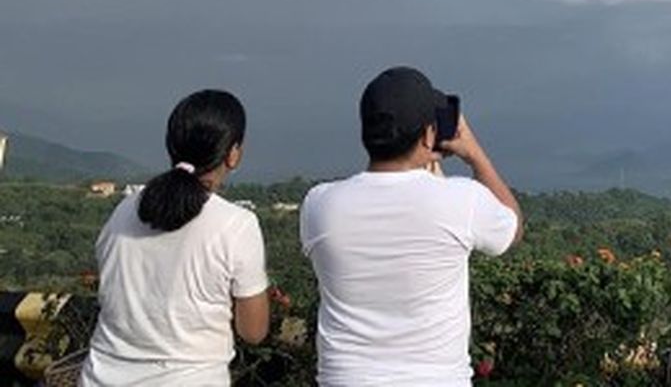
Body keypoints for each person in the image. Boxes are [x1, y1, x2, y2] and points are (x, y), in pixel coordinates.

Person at [300, 66, 523, 385]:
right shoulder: (461, 200)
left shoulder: (319, 204)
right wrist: (474, 154)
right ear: (429, 134)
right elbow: (511, 230)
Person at [81, 90, 269, 386]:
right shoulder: (237, 225)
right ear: (234, 154)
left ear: (171, 146)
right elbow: (253, 331)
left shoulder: (124, 210)